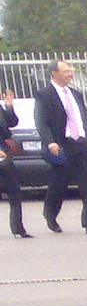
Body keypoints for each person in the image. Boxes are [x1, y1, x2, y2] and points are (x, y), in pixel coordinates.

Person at [34, 59, 87, 235]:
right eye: (66, 71)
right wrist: (50, 141)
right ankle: (50, 214)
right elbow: (41, 122)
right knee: (59, 185)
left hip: (81, 143)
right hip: (62, 145)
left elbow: (81, 119)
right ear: (54, 74)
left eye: (70, 70)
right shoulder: (45, 95)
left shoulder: (75, 94)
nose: (70, 74)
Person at [0, 91, 29, 238]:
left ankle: (18, 228)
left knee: (14, 190)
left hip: (3, 153)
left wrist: (8, 106)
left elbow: (11, 122)